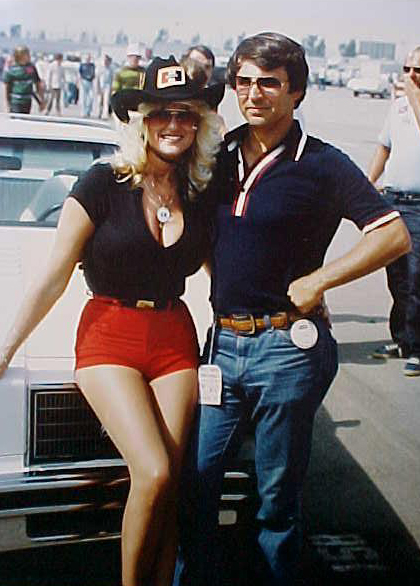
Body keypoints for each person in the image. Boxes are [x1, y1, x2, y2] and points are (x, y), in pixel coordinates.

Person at [174, 32, 410, 586]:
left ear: (296, 91)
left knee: (276, 499)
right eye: (242, 82)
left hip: (287, 350)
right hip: (222, 347)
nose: (252, 94)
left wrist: (319, 281)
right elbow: (201, 232)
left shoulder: (321, 163)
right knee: (197, 482)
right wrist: (227, 282)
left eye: (268, 83)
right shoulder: (217, 155)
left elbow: (393, 234)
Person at [0, 56, 224, 586]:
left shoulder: (199, 191)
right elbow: (54, 274)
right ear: (141, 121)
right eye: (161, 113)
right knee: (154, 470)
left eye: (186, 115)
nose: (174, 125)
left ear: (199, 124)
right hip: (109, 337)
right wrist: (6, 348)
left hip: (174, 339)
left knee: (171, 485)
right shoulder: (102, 183)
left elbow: (226, 271)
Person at [368, 46, 420, 376]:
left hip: (419, 207)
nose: (411, 76)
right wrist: (368, 183)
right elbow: (384, 147)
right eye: (408, 69)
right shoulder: (398, 107)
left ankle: (417, 347)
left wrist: (412, 95)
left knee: (416, 278)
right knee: (397, 277)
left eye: (419, 71)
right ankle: (402, 338)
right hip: (394, 200)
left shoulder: (411, 103)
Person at [2, 45, 45, 113]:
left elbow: (36, 84)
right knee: (18, 118)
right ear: (20, 56)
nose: (29, 56)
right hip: (16, 101)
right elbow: (7, 88)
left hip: (27, 101)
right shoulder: (12, 69)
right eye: (27, 54)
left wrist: (41, 101)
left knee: (25, 118)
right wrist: (8, 104)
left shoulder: (31, 68)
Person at [96, 53, 114, 118]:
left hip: (107, 86)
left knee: (106, 101)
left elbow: (112, 79)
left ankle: (105, 114)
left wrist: (112, 88)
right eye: (105, 60)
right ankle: (99, 112)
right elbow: (97, 79)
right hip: (101, 86)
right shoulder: (100, 68)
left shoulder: (110, 69)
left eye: (107, 60)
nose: (106, 61)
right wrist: (97, 88)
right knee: (99, 101)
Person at [79, 53, 95, 117]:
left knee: (91, 98)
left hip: (90, 82)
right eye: (87, 58)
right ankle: (83, 112)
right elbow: (79, 74)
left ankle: (88, 111)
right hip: (83, 82)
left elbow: (94, 73)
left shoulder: (92, 65)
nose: (88, 59)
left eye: (89, 58)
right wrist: (79, 82)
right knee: (84, 98)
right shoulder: (82, 65)